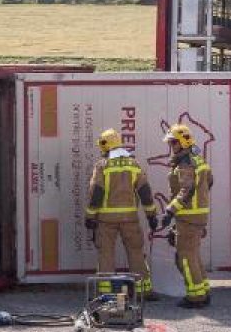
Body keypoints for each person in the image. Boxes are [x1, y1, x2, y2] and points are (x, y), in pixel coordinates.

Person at [84, 129, 159, 297]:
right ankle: (143, 290)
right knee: (136, 252)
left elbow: (96, 192)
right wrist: (151, 215)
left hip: (106, 219)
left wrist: (90, 216)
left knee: (106, 253)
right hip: (130, 219)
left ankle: (106, 292)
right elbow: (145, 192)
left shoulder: (102, 165)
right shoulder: (134, 164)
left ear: (106, 145)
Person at [162, 124, 213, 308]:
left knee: (185, 256)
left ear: (184, 141)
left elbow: (187, 189)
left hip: (188, 216)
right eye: (171, 142)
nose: (172, 146)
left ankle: (195, 297)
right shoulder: (198, 159)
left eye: (174, 142)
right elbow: (210, 182)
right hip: (196, 216)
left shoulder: (185, 163)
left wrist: (170, 211)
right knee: (193, 255)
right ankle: (203, 291)